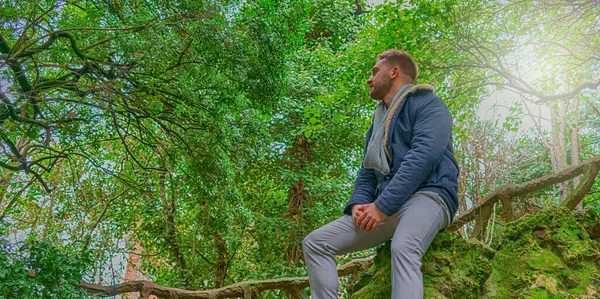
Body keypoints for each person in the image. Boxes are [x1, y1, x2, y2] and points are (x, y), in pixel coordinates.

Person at [302, 49, 459, 299]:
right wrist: (358, 204)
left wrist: (382, 205)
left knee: (404, 247)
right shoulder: (377, 122)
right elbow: (368, 171)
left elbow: (424, 156)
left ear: (394, 71)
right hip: (386, 206)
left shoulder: (429, 103)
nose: (370, 78)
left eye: (375, 71)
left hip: (429, 196)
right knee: (315, 243)